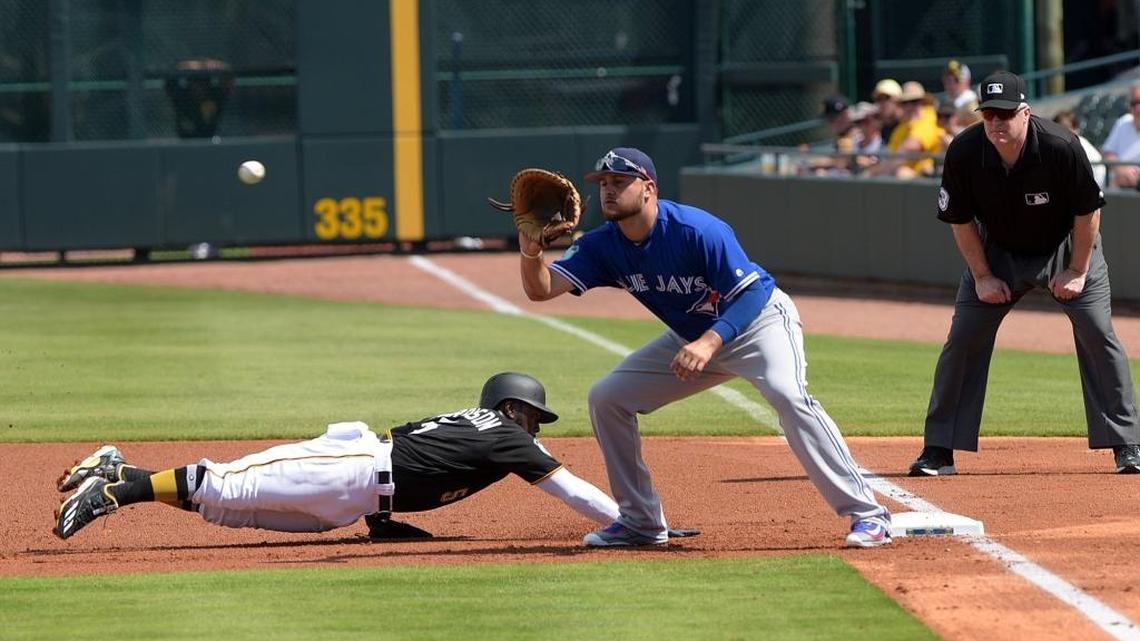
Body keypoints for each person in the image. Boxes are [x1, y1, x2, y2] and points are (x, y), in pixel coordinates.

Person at [516, 147, 892, 548]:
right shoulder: (602, 245)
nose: (609, 190)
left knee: (788, 395)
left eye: (620, 182)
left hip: (758, 324)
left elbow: (751, 295)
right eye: (604, 182)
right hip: (691, 338)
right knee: (608, 397)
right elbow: (540, 290)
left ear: (649, 188)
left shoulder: (696, 230)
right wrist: (531, 247)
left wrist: (711, 341)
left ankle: (869, 516)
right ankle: (640, 521)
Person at [54, 372, 626, 541]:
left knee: (221, 508)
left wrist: (380, 520)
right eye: (531, 415)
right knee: (224, 484)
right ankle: (114, 493)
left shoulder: (480, 429)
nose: (534, 427)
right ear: (509, 408)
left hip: (354, 493)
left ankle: (118, 469)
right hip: (349, 469)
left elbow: (415, 453)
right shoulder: (505, 435)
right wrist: (634, 525)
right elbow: (570, 488)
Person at [909, 71, 1140, 477]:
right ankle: (939, 449)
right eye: (989, 114)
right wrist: (981, 276)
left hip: (1066, 246)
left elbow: (1088, 212)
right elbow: (958, 219)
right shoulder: (965, 151)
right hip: (996, 250)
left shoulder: (1059, 145)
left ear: (1025, 113)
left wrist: (1076, 270)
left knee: (1096, 331)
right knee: (964, 336)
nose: (997, 122)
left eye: (1006, 113)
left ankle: (1127, 444)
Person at [1054, 109, 1107, 189]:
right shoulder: (1057, 147)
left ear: (1076, 129)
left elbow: (1099, 173)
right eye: (1058, 128)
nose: (1062, 131)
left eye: (1066, 127)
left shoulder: (1082, 145)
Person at [1100, 83, 1140, 188]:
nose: (1137, 108)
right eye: (1134, 103)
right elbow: (1108, 153)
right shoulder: (1123, 121)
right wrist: (1121, 169)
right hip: (1117, 182)